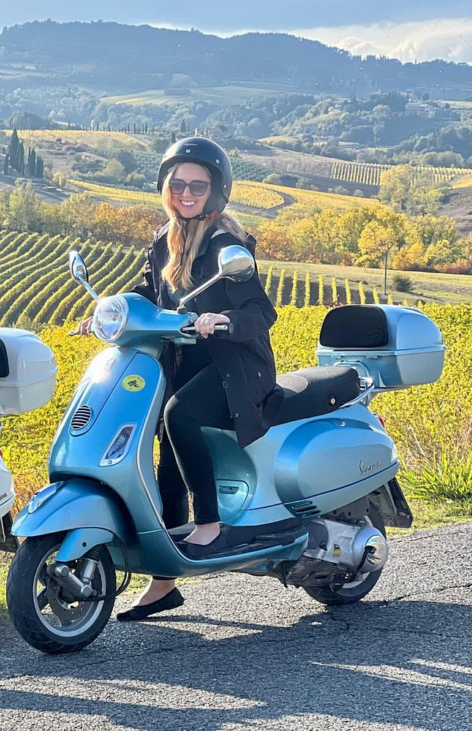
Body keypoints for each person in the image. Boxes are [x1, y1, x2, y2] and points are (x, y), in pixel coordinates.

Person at [77, 137, 280, 621]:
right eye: (177, 183)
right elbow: (149, 291)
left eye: (198, 185)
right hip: (185, 364)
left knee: (179, 415)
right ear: (165, 187)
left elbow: (260, 311)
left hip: (235, 367)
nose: (186, 192)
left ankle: (207, 523)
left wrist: (225, 321)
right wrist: (106, 310)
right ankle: (165, 579)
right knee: (162, 443)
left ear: (216, 191)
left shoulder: (225, 244)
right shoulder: (164, 238)